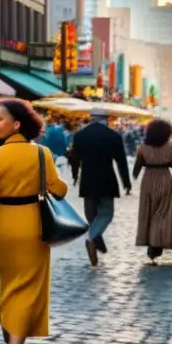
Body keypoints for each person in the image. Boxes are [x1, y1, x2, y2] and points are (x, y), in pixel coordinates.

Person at [0, 99, 68, 344]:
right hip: (33, 223)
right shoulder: (42, 153)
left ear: (16, 123)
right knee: (29, 288)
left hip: (4, 223)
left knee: (8, 286)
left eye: (0, 119)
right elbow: (59, 188)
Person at [67, 110, 131, 267]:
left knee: (91, 215)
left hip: (87, 180)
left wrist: (75, 176)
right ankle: (92, 239)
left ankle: (96, 241)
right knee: (106, 213)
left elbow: (75, 159)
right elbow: (121, 161)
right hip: (106, 180)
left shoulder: (80, 135)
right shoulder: (113, 136)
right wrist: (126, 183)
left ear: (91, 118)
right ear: (106, 120)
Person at [133, 118, 172, 264]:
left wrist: (132, 179)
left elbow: (138, 166)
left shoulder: (142, 147)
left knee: (148, 212)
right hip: (165, 179)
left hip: (148, 180)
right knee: (163, 213)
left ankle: (150, 242)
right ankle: (157, 244)